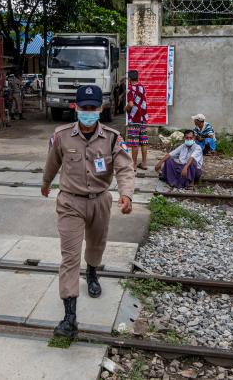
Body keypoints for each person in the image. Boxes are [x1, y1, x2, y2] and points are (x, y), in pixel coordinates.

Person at [41, 85, 134, 338]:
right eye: (84, 108)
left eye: (93, 108)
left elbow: (125, 168)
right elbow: (52, 162)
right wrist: (46, 183)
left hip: (100, 200)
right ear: (76, 108)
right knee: (70, 257)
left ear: (100, 109)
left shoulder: (114, 137)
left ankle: (92, 272)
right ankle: (69, 317)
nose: (89, 112)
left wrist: (126, 194)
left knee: (96, 245)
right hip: (70, 202)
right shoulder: (61, 136)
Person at [124, 70, 149, 170]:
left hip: (134, 119)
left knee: (134, 143)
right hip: (143, 118)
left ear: (129, 79)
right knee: (143, 141)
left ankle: (133, 165)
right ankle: (144, 164)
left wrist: (125, 109)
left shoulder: (130, 89)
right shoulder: (142, 87)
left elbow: (130, 104)